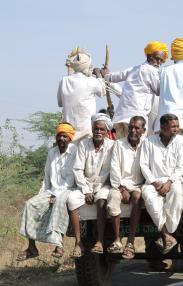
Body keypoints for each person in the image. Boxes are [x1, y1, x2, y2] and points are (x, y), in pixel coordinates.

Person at [17, 123, 77, 261]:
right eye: (59, 136)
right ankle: (32, 247)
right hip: (51, 190)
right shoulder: (52, 152)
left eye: (64, 136)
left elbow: (71, 180)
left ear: (70, 138)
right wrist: (42, 194)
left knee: (59, 203)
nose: (61, 139)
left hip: (69, 189)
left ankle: (59, 245)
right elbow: (47, 177)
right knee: (30, 204)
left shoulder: (75, 151)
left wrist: (55, 196)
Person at [140, 114, 183, 254]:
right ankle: (167, 235)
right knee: (148, 197)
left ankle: (167, 233)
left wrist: (169, 182)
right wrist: (155, 183)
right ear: (162, 127)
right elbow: (143, 165)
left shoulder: (181, 141)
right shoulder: (149, 142)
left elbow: (182, 165)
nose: (176, 129)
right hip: (153, 181)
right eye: (173, 126)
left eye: (177, 126)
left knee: (176, 193)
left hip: (174, 180)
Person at [67, 113, 114, 257]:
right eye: (96, 129)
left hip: (102, 185)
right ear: (92, 129)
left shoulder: (112, 146)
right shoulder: (83, 144)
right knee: (71, 200)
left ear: (107, 132)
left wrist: (95, 190)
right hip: (85, 185)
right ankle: (78, 243)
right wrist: (86, 190)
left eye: (101, 129)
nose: (98, 132)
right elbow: (77, 169)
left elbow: (108, 172)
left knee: (101, 199)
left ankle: (99, 241)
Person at [103, 41, 168, 138]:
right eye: (158, 59)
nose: (159, 63)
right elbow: (158, 90)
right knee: (137, 149)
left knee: (123, 146)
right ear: (149, 56)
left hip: (121, 117)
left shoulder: (134, 69)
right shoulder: (152, 71)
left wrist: (106, 75)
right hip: (137, 118)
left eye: (162, 61)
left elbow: (114, 77)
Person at [106, 116, 147, 259]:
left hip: (139, 185)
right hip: (120, 184)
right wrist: (121, 188)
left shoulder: (146, 145)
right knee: (113, 198)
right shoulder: (119, 144)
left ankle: (130, 242)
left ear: (143, 130)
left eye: (137, 128)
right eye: (131, 127)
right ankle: (117, 240)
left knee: (136, 196)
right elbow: (114, 167)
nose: (133, 130)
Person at [57, 48, 106, 142]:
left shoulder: (64, 81)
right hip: (87, 133)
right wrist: (99, 75)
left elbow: (60, 103)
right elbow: (103, 91)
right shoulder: (91, 81)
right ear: (87, 66)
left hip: (69, 133)